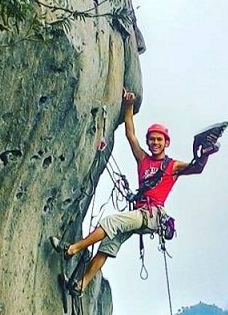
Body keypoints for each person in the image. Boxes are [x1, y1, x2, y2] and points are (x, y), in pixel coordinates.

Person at [51, 89, 195, 295]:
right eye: (152, 139)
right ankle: (81, 285)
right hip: (140, 214)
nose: (155, 143)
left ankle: (72, 248)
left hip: (151, 215)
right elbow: (130, 135)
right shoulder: (143, 159)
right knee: (109, 244)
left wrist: (205, 154)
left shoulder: (173, 166)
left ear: (166, 143)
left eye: (159, 140)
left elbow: (196, 168)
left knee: (111, 222)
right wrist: (128, 106)